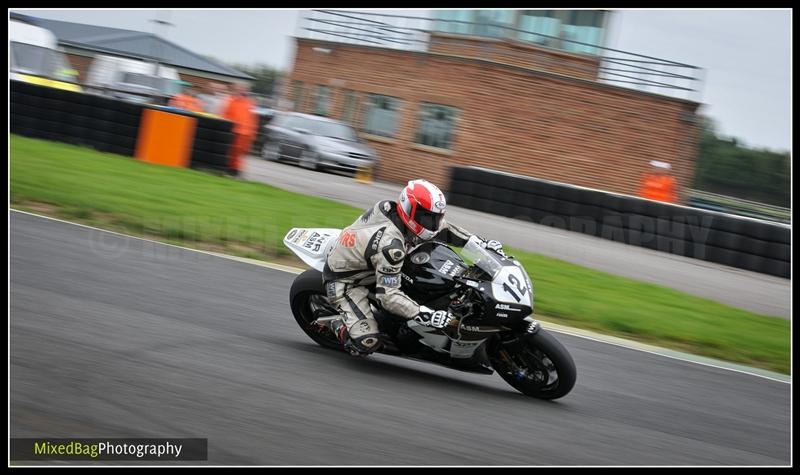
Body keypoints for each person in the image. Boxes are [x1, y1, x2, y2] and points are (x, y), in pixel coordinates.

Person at [320, 179, 506, 356]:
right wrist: (424, 314)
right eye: (426, 217)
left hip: (371, 259)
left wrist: (481, 245)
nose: (432, 224)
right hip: (347, 280)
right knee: (366, 344)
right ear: (409, 210)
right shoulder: (391, 247)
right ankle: (340, 326)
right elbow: (388, 296)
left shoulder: (392, 209)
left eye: (435, 217)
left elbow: (445, 229)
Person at [221, 82, 257, 175]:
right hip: (233, 130)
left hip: (245, 133)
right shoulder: (230, 100)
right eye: (239, 88)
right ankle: (231, 168)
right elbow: (225, 114)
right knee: (231, 151)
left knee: (240, 153)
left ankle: (236, 169)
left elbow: (253, 119)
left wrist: (253, 134)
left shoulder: (250, 103)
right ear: (235, 89)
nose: (241, 90)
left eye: (243, 89)